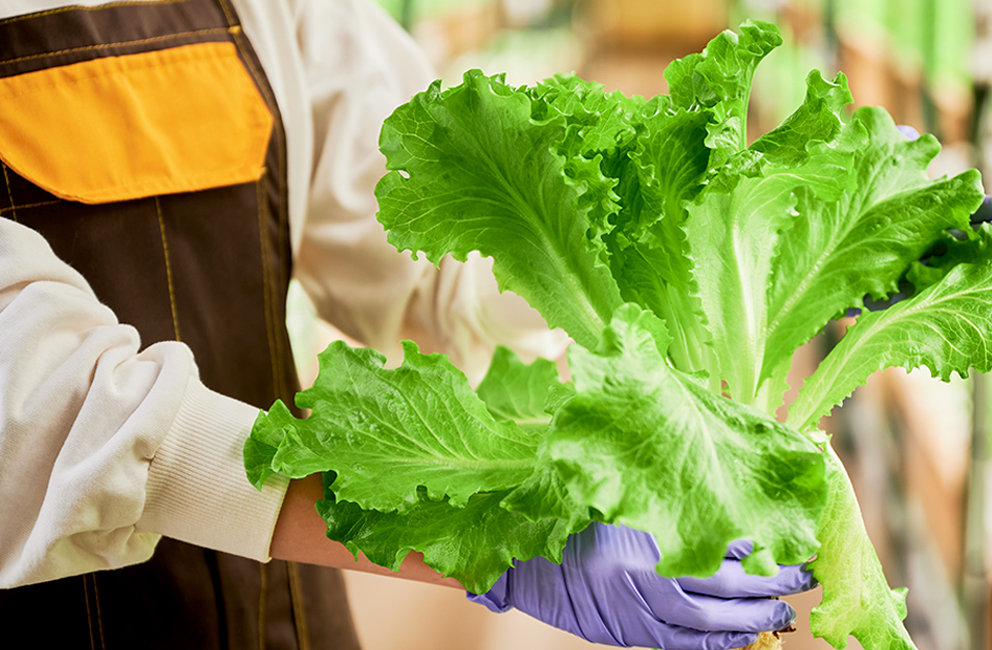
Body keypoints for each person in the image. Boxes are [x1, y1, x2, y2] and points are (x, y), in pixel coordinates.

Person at [0, 1, 818, 647]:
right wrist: (490, 541)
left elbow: (428, 242)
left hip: (280, 615)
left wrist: (693, 281)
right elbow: (41, 400)